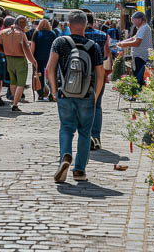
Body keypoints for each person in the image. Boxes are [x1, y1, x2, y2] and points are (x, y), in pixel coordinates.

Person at [46, 10, 104, 183]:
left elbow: (50, 68)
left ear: (68, 25)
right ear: (86, 25)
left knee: (66, 128)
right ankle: (79, 171)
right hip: (87, 94)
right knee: (85, 132)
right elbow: (100, 75)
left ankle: (65, 156)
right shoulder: (93, 46)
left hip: (65, 92)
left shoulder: (59, 42)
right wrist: (95, 96)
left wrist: (55, 90)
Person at [0, 15, 37, 111]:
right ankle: (15, 104)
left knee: (13, 81)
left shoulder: (4, 32)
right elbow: (27, 49)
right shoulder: (21, 34)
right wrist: (33, 61)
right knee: (21, 83)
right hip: (20, 60)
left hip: (9, 59)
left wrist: (5, 51)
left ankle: (15, 101)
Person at [84, 13, 111, 150]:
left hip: (82, 73)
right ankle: (96, 137)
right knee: (97, 105)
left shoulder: (80, 35)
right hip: (98, 72)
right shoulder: (102, 35)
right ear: (93, 22)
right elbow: (106, 54)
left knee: (82, 104)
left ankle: (85, 136)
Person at [117, 11, 152, 85]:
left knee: (139, 79)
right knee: (138, 78)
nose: (133, 23)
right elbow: (133, 38)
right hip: (140, 56)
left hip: (141, 57)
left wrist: (123, 44)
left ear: (139, 19)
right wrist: (121, 42)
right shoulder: (142, 28)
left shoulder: (144, 28)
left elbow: (136, 43)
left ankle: (137, 95)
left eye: (134, 20)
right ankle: (136, 94)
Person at [30, 19, 57, 100]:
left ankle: (40, 94)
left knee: (39, 76)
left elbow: (32, 48)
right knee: (51, 76)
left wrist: (31, 59)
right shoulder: (52, 34)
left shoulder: (36, 33)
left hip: (38, 59)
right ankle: (52, 94)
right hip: (50, 58)